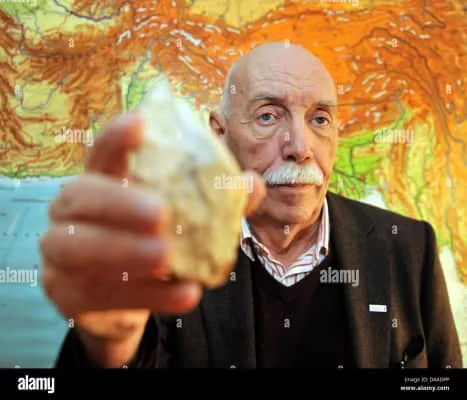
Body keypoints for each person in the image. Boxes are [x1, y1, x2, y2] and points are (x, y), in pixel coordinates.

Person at [40, 42, 462, 368]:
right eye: (268, 116)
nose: (300, 147)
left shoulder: (407, 247)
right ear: (219, 133)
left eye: (319, 119)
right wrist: (110, 347)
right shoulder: (165, 251)